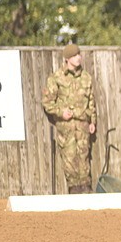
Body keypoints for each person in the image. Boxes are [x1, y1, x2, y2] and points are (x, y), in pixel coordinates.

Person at [42, 43, 97, 193]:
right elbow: (47, 103)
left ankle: (86, 187)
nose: (78, 58)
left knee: (84, 157)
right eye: (74, 55)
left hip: (83, 125)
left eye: (79, 54)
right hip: (66, 128)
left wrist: (92, 121)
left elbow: (91, 101)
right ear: (67, 59)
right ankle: (74, 189)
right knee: (69, 158)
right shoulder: (57, 78)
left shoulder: (86, 78)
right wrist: (61, 112)